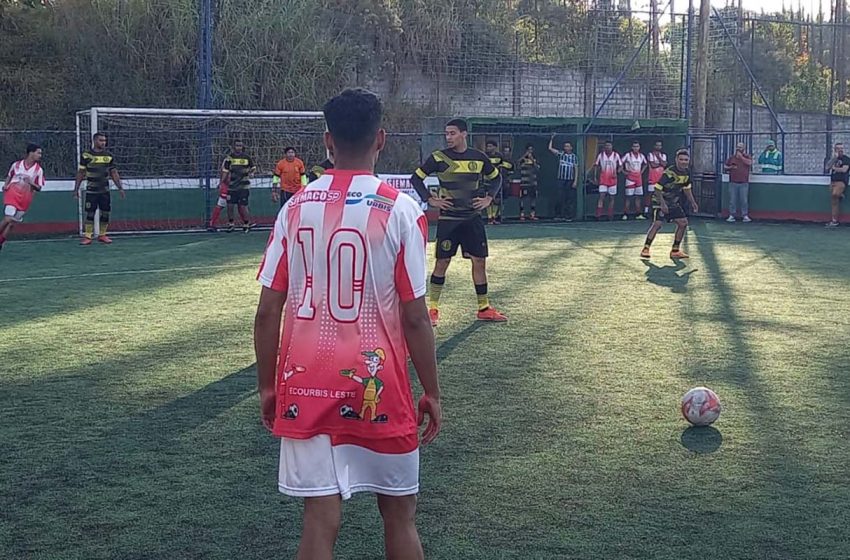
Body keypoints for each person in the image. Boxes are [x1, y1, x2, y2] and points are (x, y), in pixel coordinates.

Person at [254, 88, 440, 560]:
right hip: (382, 387)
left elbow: (266, 311)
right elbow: (416, 318)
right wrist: (432, 392)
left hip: (304, 387)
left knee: (320, 518)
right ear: (381, 139)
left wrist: (266, 387)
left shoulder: (293, 208)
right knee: (400, 515)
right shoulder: (401, 209)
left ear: (327, 142)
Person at [410, 118, 507, 326]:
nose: (449, 137)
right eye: (447, 134)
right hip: (449, 220)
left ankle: (484, 308)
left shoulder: (479, 158)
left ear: (464, 134)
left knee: (479, 261)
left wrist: (489, 197)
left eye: (452, 133)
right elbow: (416, 178)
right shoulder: (438, 158)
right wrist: (430, 199)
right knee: (442, 262)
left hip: (472, 219)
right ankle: (433, 309)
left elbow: (497, 178)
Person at [640, 148, 699, 260]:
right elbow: (657, 189)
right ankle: (645, 249)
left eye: (686, 160)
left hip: (672, 202)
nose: (683, 162)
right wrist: (662, 204)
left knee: (683, 223)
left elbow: (687, 189)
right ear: (676, 160)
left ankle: (675, 251)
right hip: (659, 200)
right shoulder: (669, 173)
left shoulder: (687, 173)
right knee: (657, 224)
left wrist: (693, 202)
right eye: (681, 159)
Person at [74, 132, 125, 245]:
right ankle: (88, 236)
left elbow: (114, 172)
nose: (103, 143)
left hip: (104, 190)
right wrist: (76, 189)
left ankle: (102, 235)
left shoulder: (108, 156)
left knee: (105, 212)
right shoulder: (86, 155)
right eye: (101, 140)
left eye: (104, 141)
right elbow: (81, 173)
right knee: (90, 213)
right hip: (91, 190)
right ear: (95, 141)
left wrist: (120, 188)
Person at [1, 143, 45, 252]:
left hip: (25, 199)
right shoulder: (16, 165)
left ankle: (1, 242)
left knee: (11, 224)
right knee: (8, 218)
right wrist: (6, 185)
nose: (40, 155)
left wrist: (31, 183)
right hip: (12, 194)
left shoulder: (38, 170)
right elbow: (10, 175)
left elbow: (39, 187)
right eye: (38, 153)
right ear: (31, 153)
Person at [220, 140, 257, 232]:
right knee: (230, 205)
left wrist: (251, 174)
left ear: (242, 147)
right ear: (234, 147)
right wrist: (222, 182)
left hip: (244, 186)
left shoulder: (247, 157)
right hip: (232, 186)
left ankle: (246, 223)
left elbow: (253, 168)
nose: (238, 147)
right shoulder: (229, 158)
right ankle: (231, 224)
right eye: (237, 146)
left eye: (240, 146)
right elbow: (225, 170)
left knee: (243, 206)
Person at [548, 134, 578, 221]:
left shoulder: (574, 157)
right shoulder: (561, 154)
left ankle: (568, 216)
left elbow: (576, 168)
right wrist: (552, 138)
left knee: (569, 198)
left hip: (570, 180)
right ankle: (558, 215)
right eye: (565, 146)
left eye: (568, 146)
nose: (566, 148)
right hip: (561, 179)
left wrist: (575, 181)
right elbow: (550, 148)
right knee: (559, 197)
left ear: (571, 148)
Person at [484, 139, 512, 225]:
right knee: (488, 199)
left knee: (496, 200)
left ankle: (494, 217)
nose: (488, 148)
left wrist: (501, 166)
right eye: (487, 146)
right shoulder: (485, 156)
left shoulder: (500, 156)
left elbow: (508, 165)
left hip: (496, 181)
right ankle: (489, 218)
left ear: (495, 147)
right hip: (486, 180)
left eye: (490, 146)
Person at [724, 142, 753, 223]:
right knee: (732, 200)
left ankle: (745, 215)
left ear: (744, 148)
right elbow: (725, 166)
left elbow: (749, 163)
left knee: (744, 200)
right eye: (737, 147)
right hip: (733, 182)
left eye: (740, 147)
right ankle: (732, 215)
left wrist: (741, 158)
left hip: (744, 183)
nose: (738, 148)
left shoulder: (747, 156)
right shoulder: (732, 158)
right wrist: (730, 167)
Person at [620, 141, 647, 220]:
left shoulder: (641, 156)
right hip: (630, 178)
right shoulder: (628, 155)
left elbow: (645, 164)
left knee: (638, 196)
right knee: (628, 197)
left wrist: (641, 171)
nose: (636, 148)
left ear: (639, 147)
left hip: (638, 178)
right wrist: (624, 171)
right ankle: (625, 214)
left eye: (637, 146)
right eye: (634, 146)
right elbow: (620, 162)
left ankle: (639, 214)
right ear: (632, 147)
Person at [826, 142, 850, 228]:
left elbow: (844, 170)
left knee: (835, 194)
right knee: (834, 201)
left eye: (841, 148)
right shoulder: (833, 159)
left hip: (841, 181)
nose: (840, 150)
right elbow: (827, 167)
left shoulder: (846, 159)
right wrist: (834, 159)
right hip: (833, 181)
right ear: (835, 150)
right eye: (838, 148)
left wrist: (834, 168)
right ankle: (834, 220)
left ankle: (840, 195)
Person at [594, 140, 620, 220]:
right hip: (603, 180)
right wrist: (595, 176)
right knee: (601, 196)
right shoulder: (601, 155)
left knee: (612, 198)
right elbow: (596, 166)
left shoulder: (616, 155)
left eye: (609, 145)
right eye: (606, 145)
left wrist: (617, 172)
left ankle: (610, 215)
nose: (607, 147)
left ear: (612, 146)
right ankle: (598, 215)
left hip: (613, 180)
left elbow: (621, 165)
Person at [518, 144, 540, 221]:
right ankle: (522, 214)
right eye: (528, 150)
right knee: (523, 198)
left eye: (531, 149)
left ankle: (532, 214)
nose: (530, 151)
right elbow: (518, 166)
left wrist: (532, 160)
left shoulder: (535, 159)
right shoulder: (523, 159)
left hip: (533, 182)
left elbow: (537, 168)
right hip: (524, 182)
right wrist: (525, 156)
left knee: (533, 198)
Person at [645, 141, 667, 216]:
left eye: (660, 145)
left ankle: (661, 210)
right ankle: (647, 210)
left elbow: (664, 164)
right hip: (652, 178)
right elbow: (653, 165)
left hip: (660, 178)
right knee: (650, 194)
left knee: (661, 194)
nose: (658, 147)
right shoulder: (650, 154)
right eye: (657, 145)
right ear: (654, 146)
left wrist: (658, 158)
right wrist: (659, 163)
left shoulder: (663, 155)